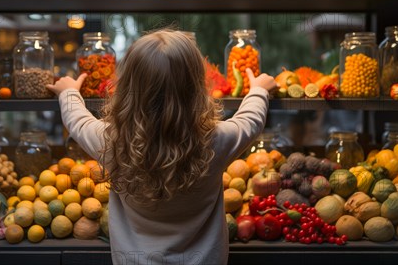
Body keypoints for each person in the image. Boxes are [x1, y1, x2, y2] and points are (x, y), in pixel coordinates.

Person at [47, 29, 278, 265]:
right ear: (197, 85)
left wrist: (68, 93)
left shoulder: (112, 140)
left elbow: (77, 120)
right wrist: (259, 90)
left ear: (127, 85)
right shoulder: (216, 139)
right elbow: (250, 121)